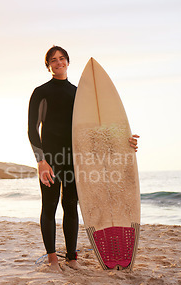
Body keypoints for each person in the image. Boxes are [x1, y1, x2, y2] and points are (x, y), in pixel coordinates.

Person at [27, 46, 139, 272]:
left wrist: (125, 142)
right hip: (50, 157)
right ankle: (52, 259)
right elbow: (32, 129)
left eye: (62, 59)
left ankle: (72, 258)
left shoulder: (79, 95)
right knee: (49, 207)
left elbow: (98, 131)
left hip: (76, 160)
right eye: (53, 60)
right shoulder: (41, 92)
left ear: (68, 62)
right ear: (48, 66)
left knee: (71, 206)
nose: (58, 62)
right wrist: (41, 161)